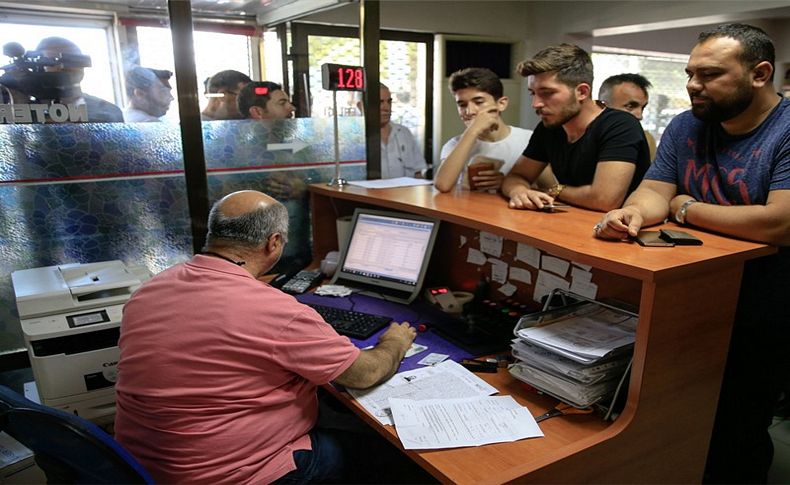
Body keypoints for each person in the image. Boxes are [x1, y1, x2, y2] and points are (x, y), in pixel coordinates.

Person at [593, 23, 790, 483]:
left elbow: (779, 222)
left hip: (766, 302)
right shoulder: (686, 124)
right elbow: (655, 191)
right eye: (689, 73)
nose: (692, 85)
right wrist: (635, 213)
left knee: (738, 425)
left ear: (760, 74)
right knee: (679, 411)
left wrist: (686, 209)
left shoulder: (784, 130)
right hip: (693, 296)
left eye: (710, 74)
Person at [114, 190, 418, 484]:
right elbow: (365, 374)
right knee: (391, 454)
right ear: (273, 243)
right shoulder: (274, 310)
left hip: (142, 467)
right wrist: (395, 342)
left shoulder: (149, 291)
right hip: (234, 475)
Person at [502, 44, 651, 212]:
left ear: (582, 92)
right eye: (533, 93)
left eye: (547, 93)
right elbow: (516, 177)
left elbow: (604, 200)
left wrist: (554, 190)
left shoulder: (621, 125)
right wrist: (519, 191)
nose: (535, 104)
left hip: (618, 230)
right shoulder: (549, 127)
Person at [434, 67, 534, 192]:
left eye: (479, 102)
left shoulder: (528, 139)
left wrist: (509, 183)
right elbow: (442, 185)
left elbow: (549, 187)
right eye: (462, 105)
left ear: (501, 104)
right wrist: (473, 131)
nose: (469, 111)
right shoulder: (454, 145)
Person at [36, 36, 123, 123]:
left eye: (74, 60)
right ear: (38, 67)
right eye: (54, 60)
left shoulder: (108, 111)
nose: (65, 67)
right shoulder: (28, 109)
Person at [358, 83, 426, 179]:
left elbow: (418, 172)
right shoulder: (355, 139)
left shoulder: (404, 133)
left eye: (389, 102)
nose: (386, 108)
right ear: (361, 106)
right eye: (380, 102)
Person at [598, 73, 657, 160]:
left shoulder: (646, 140)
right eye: (630, 106)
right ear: (602, 106)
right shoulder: (580, 135)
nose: (639, 116)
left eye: (643, 108)